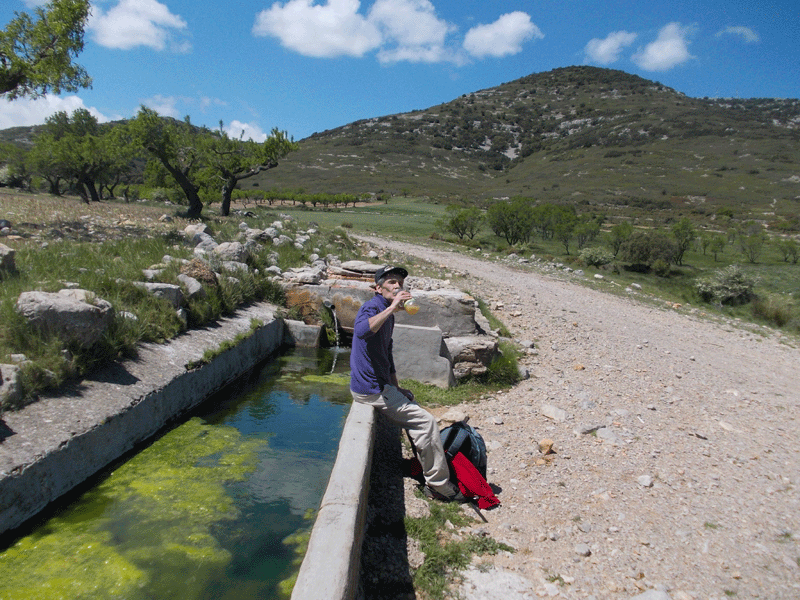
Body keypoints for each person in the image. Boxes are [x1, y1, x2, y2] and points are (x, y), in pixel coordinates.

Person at [350, 265, 466, 502]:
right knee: (426, 422)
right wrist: (392, 307)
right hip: (371, 390)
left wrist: (397, 387)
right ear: (378, 288)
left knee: (414, 407)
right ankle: (438, 486)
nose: (397, 286)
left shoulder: (389, 316)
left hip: (382, 387)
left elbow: (387, 354)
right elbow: (360, 331)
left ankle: (422, 466)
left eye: (400, 283)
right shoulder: (372, 307)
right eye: (391, 282)